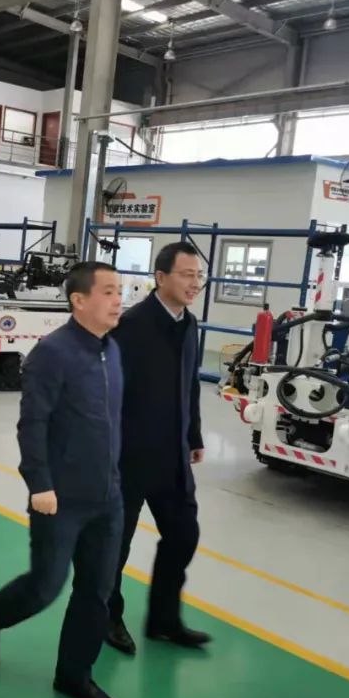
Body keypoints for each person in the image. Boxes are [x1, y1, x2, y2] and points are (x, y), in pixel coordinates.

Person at [0, 262, 124, 698]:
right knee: (45, 587)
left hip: (107, 497)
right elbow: (32, 423)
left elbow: (113, 420)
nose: (118, 299)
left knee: (96, 591)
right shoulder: (52, 353)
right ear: (79, 300)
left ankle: (74, 675)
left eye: (120, 290)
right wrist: (39, 482)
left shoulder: (112, 350)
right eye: (108, 291)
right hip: (60, 499)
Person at [106, 241, 211, 656]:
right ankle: (108, 617)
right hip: (129, 457)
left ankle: (164, 620)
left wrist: (194, 435)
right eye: (187, 275)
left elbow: (190, 384)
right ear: (161, 277)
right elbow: (109, 392)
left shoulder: (189, 324)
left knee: (183, 534)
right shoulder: (131, 326)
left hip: (172, 455)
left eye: (199, 276)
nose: (195, 283)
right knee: (115, 546)